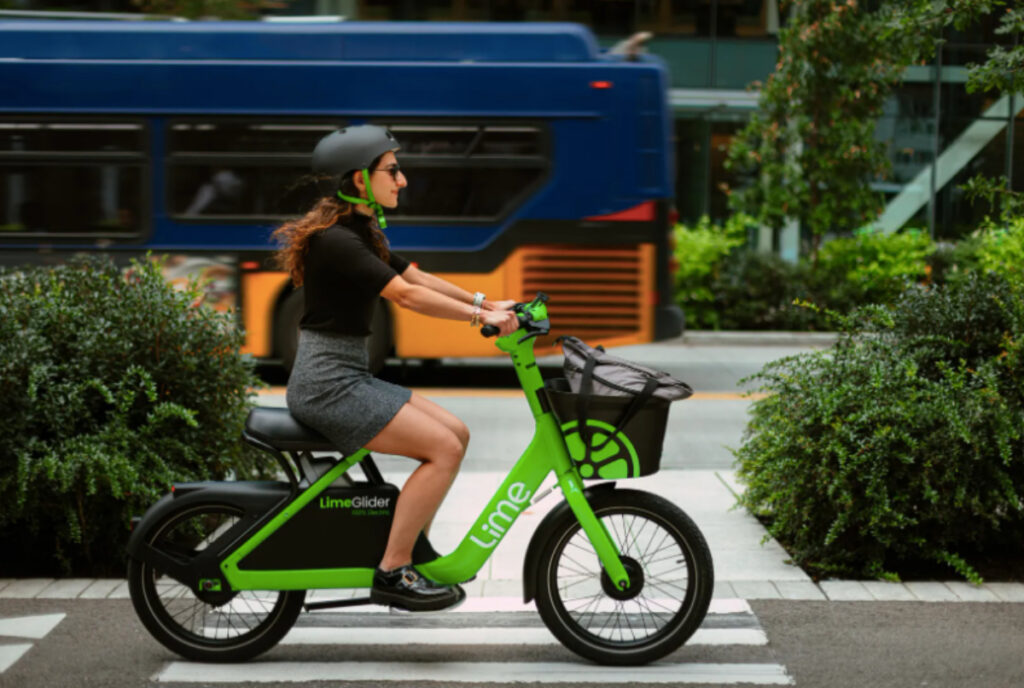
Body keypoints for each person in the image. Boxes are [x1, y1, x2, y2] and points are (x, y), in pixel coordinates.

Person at [271, 125, 519, 612]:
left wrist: (486, 299)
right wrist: (479, 318)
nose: (402, 180)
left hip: (347, 376)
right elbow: (405, 295)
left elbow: (414, 275)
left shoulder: (361, 231)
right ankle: (393, 569)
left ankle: (410, 553)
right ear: (359, 180)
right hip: (327, 386)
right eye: (392, 170)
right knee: (442, 450)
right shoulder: (335, 240)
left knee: (457, 433)